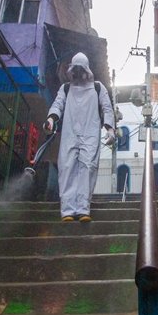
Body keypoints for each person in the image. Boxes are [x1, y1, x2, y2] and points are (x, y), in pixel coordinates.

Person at [44, 52, 115, 222]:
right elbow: (58, 104)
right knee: (67, 167)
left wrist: (110, 129)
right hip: (70, 132)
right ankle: (67, 210)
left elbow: (107, 108)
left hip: (90, 133)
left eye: (80, 69)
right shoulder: (66, 89)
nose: (77, 72)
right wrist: (51, 119)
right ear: (71, 70)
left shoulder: (98, 87)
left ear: (86, 69)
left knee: (87, 167)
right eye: (74, 69)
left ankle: (83, 209)